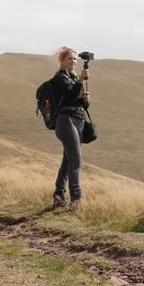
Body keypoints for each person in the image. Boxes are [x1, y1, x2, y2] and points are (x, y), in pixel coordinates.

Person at [51, 47, 91, 210]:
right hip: (65, 121)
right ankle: (76, 199)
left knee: (68, 160)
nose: (73, 62)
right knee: (76, 159)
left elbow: (80, 103)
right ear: (62, 61)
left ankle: (59, 196)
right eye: (70, 59)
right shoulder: (59, 78)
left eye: (75, 59)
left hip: (77, 120)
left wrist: (85, 99)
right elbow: (67, 96)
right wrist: (81, 81)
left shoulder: (74, 78)